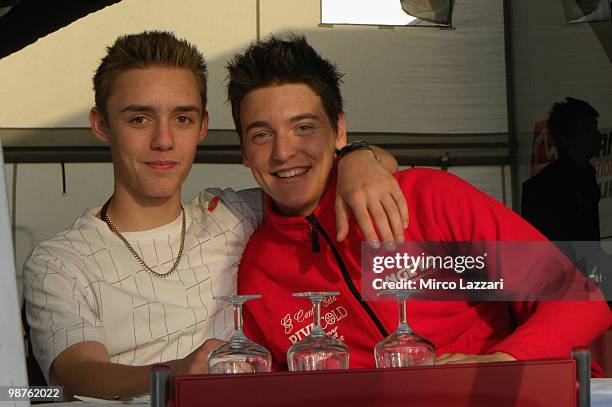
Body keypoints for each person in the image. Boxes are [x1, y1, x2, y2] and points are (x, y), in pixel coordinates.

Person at [22, 31, 408, 400]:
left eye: (182, 119)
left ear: (203, 126)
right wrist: (174, 374)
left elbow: (305, 172)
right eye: (139, 119)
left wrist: (359, 157)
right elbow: (75, 374)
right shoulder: (60, 261)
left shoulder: (233, 214)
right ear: (101, 124)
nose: (164, 140)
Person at [231, 35, 611, 371]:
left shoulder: (427, 200)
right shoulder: (257, 272)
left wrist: (503, 363)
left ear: (340, 130)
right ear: (244, 152)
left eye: (304, 127)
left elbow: (578, 298)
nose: (283, 152)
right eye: (261, 135)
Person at [522, 97, 603, 241]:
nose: (598, 135)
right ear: (566, 138)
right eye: (589, 129)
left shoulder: (586, 176)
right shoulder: (543, 189)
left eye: (595, 128)